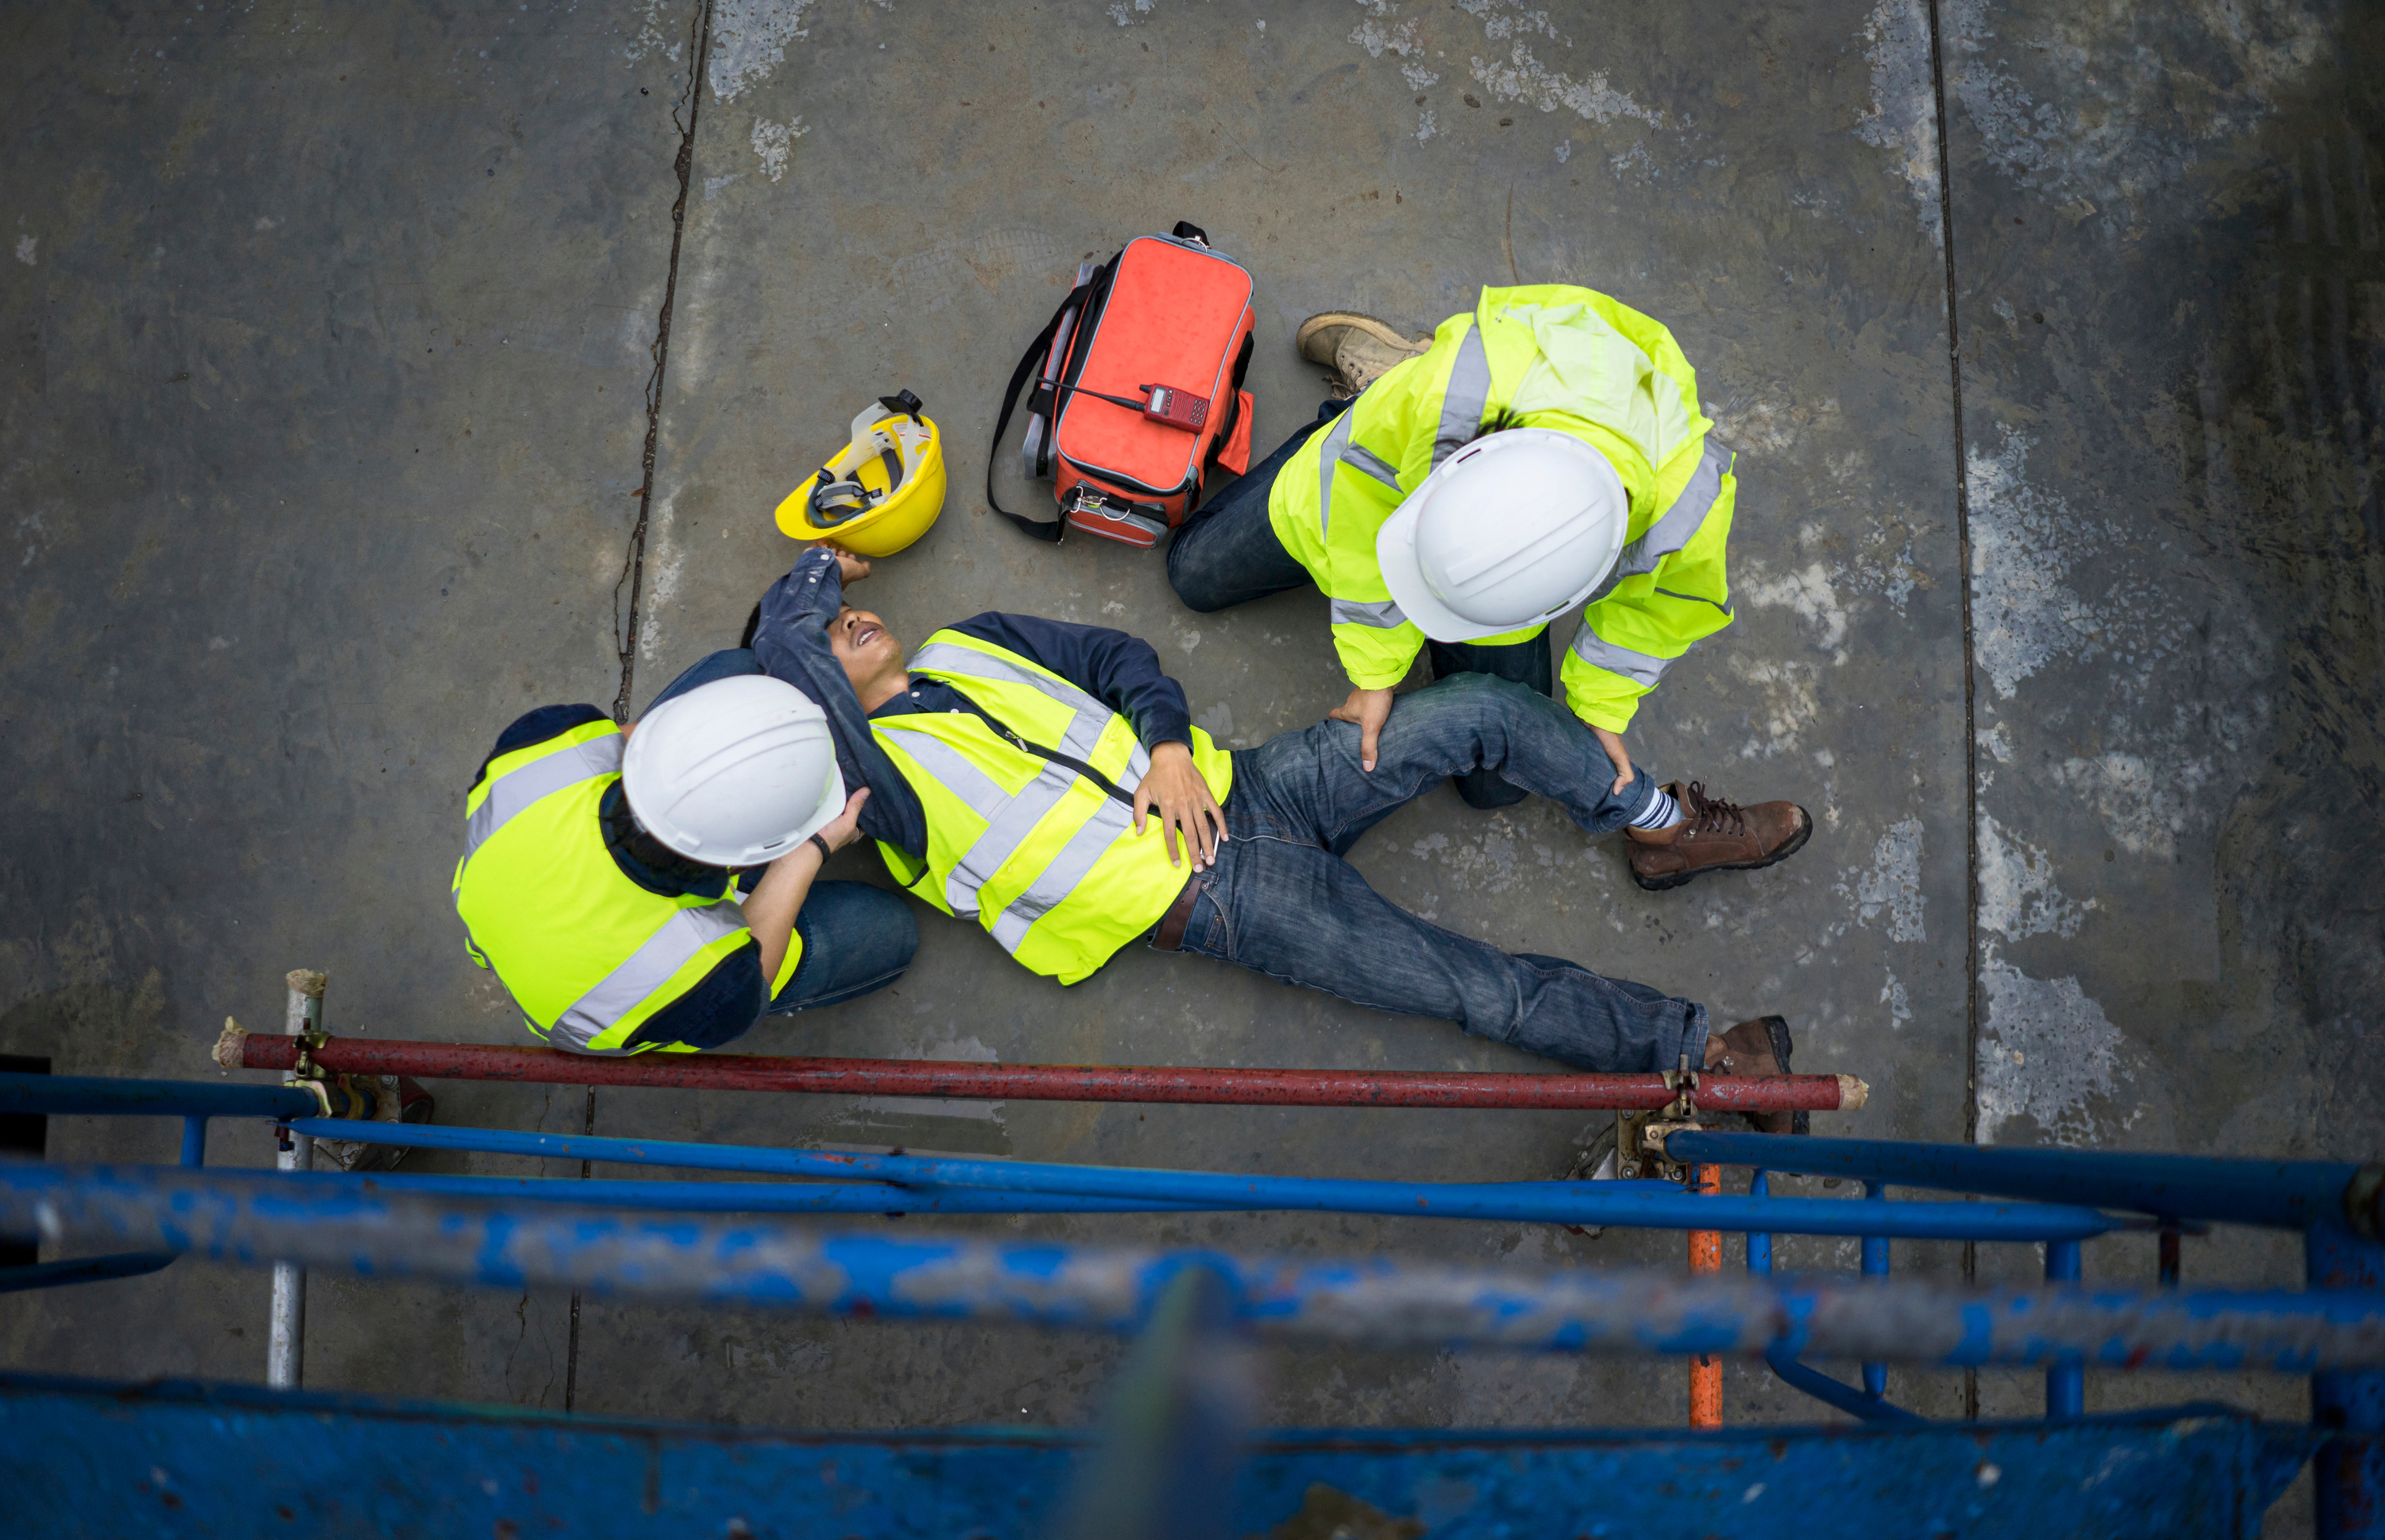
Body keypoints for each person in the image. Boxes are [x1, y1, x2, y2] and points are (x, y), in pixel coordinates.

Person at [743, 544, 1803, 1127]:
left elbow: (1117, 656)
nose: (852, 621)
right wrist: (803, 599)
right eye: (832, 636)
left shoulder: (968, 647)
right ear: (821, 699)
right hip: (1227, 906)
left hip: (1254, 785)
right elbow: (811, 707)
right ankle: (1702, 1052)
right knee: (1477, 989)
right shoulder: (872, 801)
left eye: (841, 612)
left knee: (1479, 705)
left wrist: (1163, 746)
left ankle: (1659, 825)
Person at [1165, 286, 1809, 892]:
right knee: (1193, 573)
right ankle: (1373, 390)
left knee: (1496, 789)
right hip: (1380, 450)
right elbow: (1356, 515)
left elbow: (1664, 610)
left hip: (1491, 548)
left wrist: (1601, 707)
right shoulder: (1446, 394)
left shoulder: (1689, 491)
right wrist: (1375, 673)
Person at [451, 650, 917, 1053]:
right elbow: (753, 979)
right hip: (602, 1011)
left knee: (743, 669)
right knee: (889, 933)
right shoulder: (705, 976)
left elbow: (637, 741)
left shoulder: (543, 742)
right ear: (745, 861)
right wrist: (811, 850)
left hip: (508, 914)